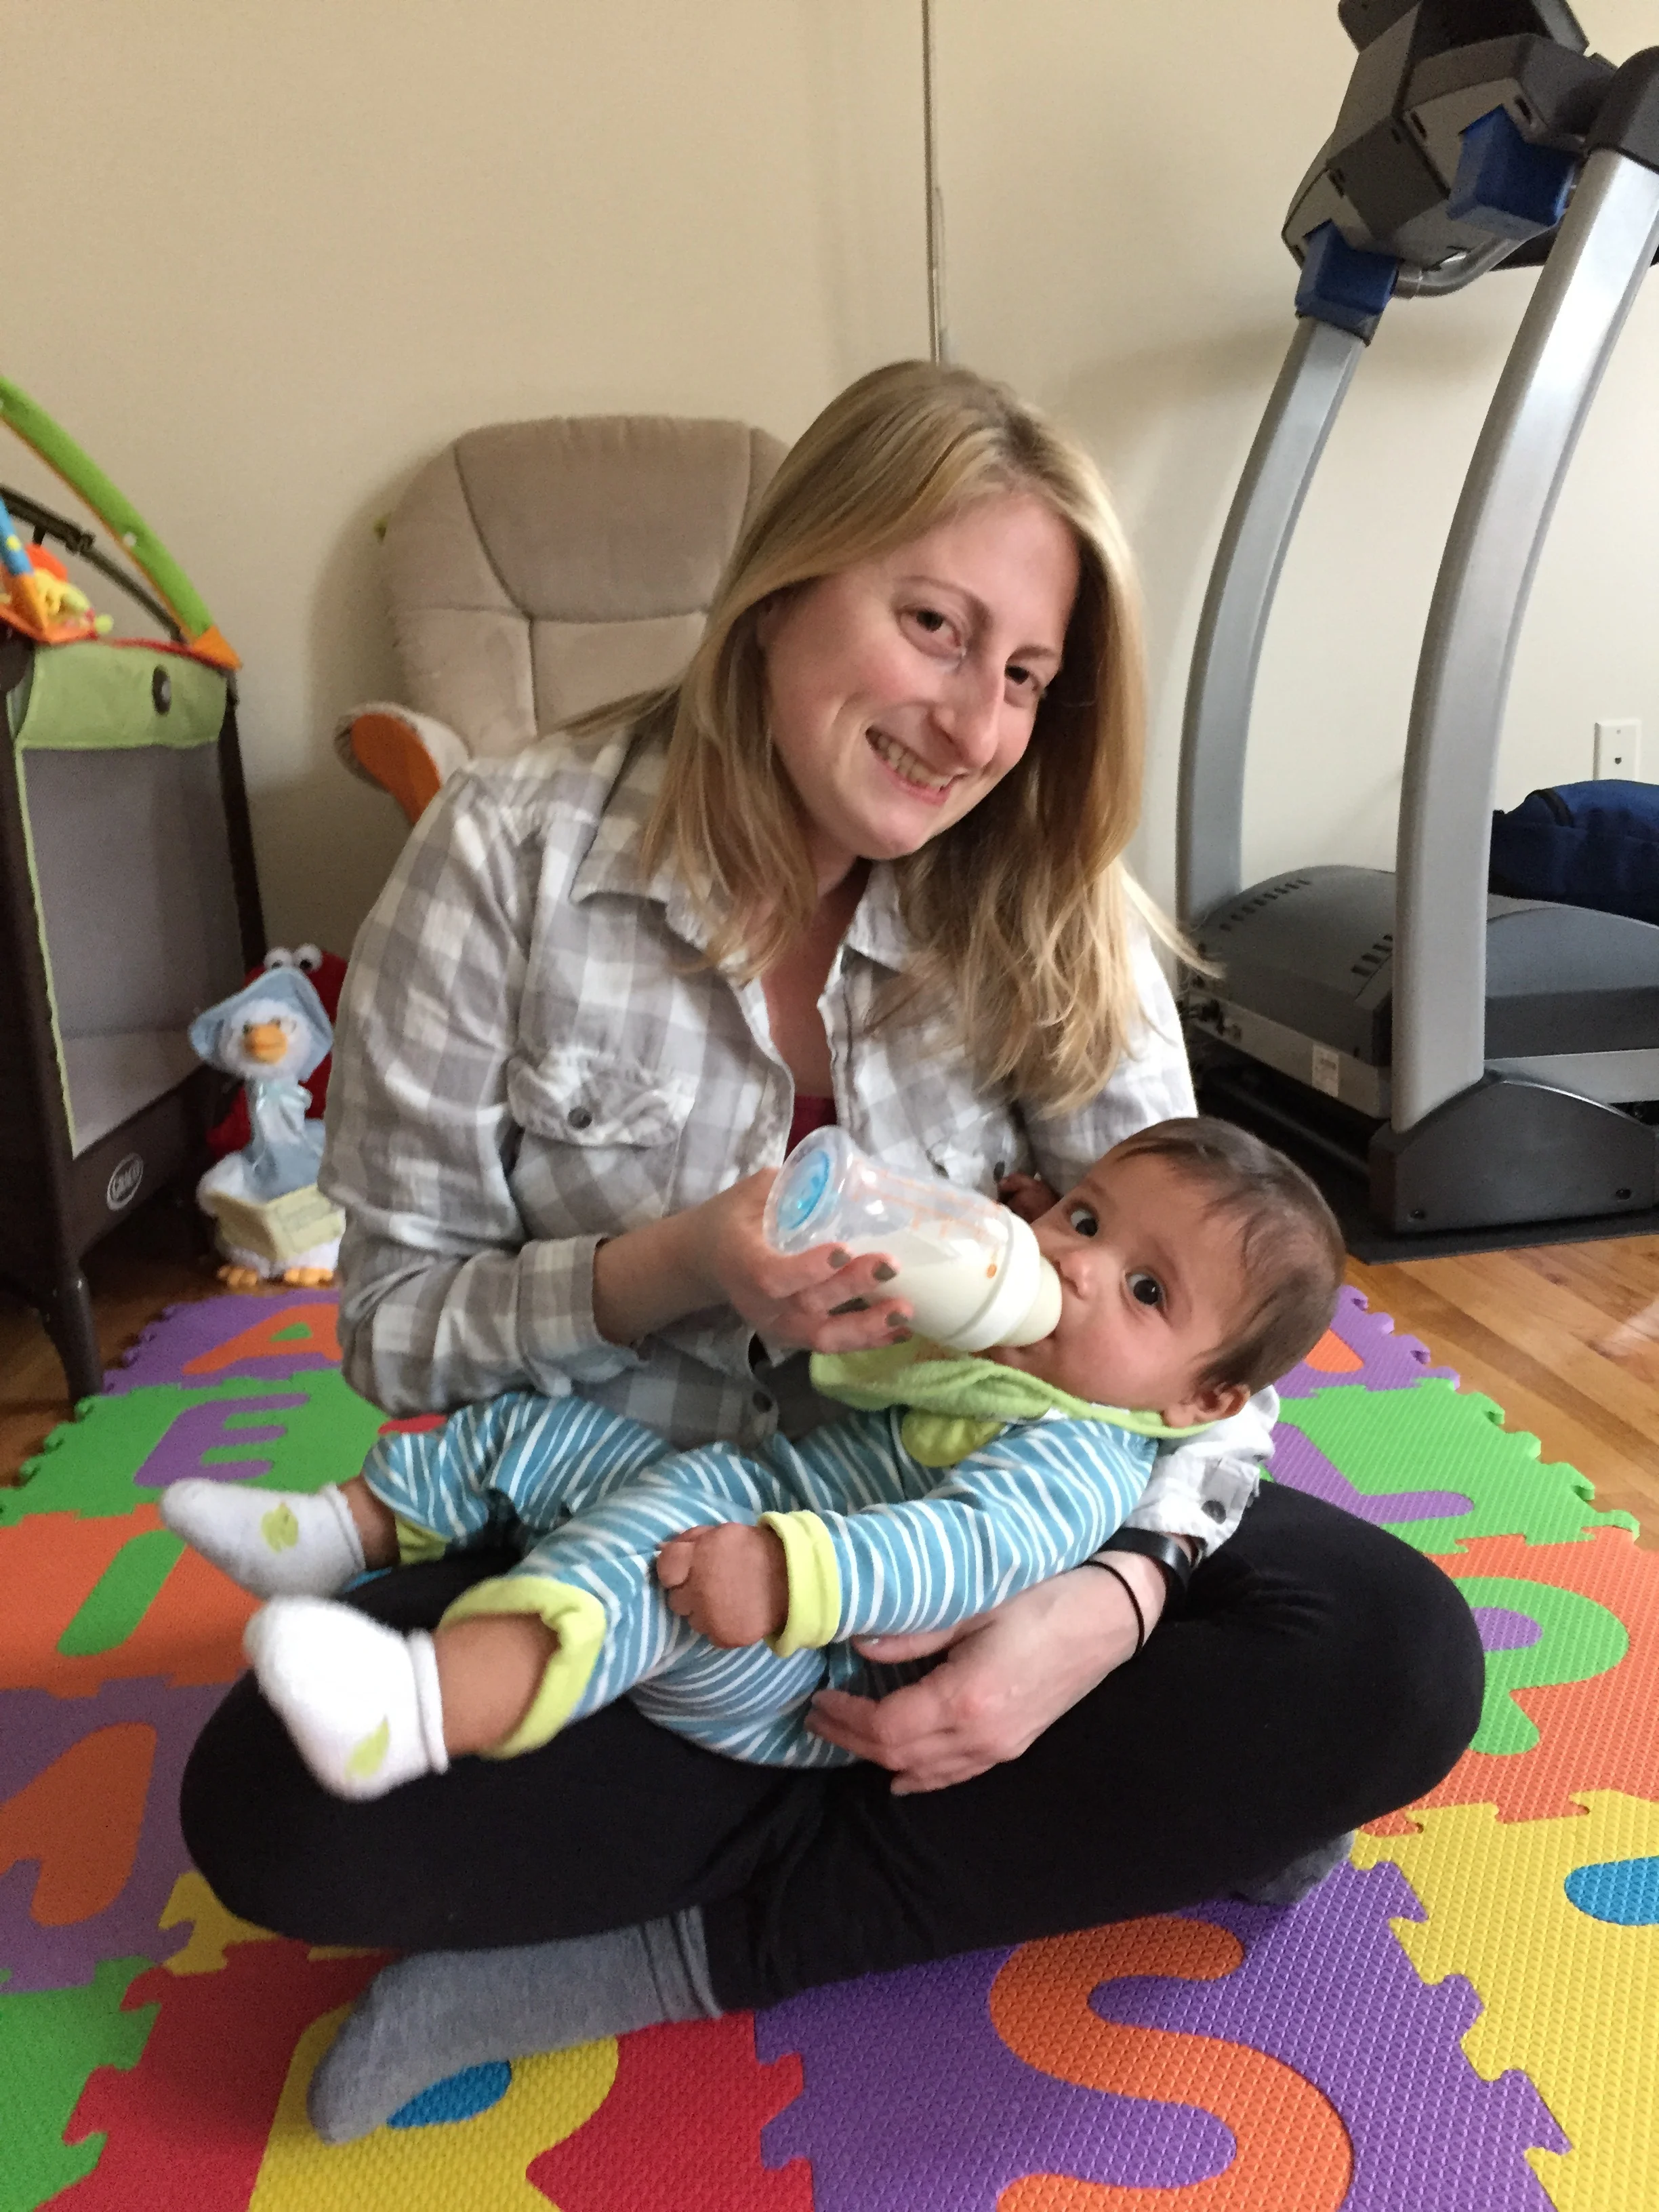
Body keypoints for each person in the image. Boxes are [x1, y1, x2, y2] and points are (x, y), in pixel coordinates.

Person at [178, 361, 1483, 2146]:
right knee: (276, 1810)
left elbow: (1210, 1374)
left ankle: (680, 1947)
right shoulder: (509, 857)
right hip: (633, 1552)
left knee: (1396, 1656)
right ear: (791, 582)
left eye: (1024, 676)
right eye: (935, 628)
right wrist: (672, 1266)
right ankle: (1091, 1830)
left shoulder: (1049, 902)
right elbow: (391, 1333)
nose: (973, 727)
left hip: (955, 1532)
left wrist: (1085, 1630)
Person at [165, 1117, 1343, 1797]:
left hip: (807, 1664)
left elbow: (968, 1551)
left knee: (634, 1569)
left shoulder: (1078, 1452)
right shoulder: (1014, 1349)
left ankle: (415, 1714)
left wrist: (787, 1579)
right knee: (544, 1431)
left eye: (1144, 1290)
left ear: (1205, 1398)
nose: (1077, 1265)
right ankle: (344, 1532)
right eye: (1082, 1220)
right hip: (744, 1489)